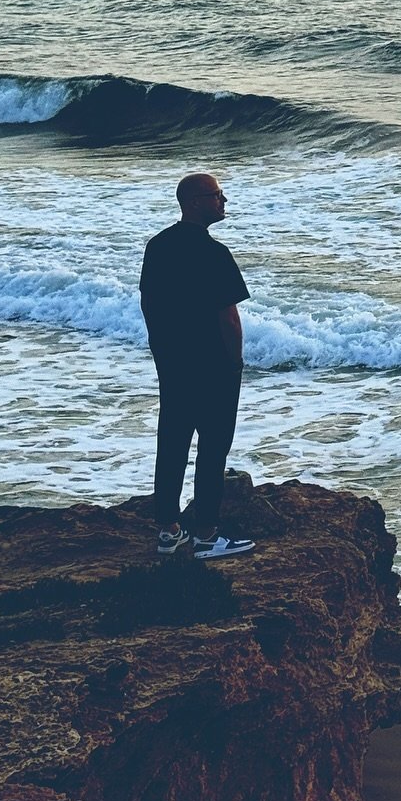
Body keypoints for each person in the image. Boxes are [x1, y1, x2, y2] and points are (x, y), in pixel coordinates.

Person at [140, 172, 256, 560]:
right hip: (213, 365)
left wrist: (162, 349)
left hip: (173, 362)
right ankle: (207, 534)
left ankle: (168, 531)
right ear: (193, 202)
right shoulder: (213, 253)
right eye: (217, 195)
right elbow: (229, 317)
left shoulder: (157, 247)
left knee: (171, 443)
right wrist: (235, 362)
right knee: (213, 447)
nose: (224, 200)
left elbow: (148, 304)